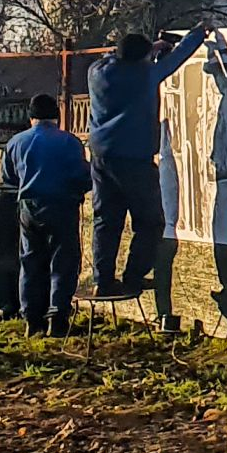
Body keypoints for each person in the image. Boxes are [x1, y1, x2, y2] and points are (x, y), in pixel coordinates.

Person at [87, 25, 208, 297]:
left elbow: (113, 57)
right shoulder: (144, 75)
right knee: (150, 221)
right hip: (135, 161)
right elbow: (178, 58)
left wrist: (152, 47)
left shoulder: (96, 72)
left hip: (101, 158)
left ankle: (102, 280)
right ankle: (134, 276)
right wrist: (199, 33)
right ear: (142, 59)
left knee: (106, 221)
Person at [0, 94, 92, 336]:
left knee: (30, 261)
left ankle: (31, 319)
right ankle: (57, 317)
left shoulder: (16, 142)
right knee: (63, 261)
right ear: (57, 117)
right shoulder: (70, 142)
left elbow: (8, 179)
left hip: (28, 207)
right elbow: (83, 176)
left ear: (31, 117)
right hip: (62, 205)